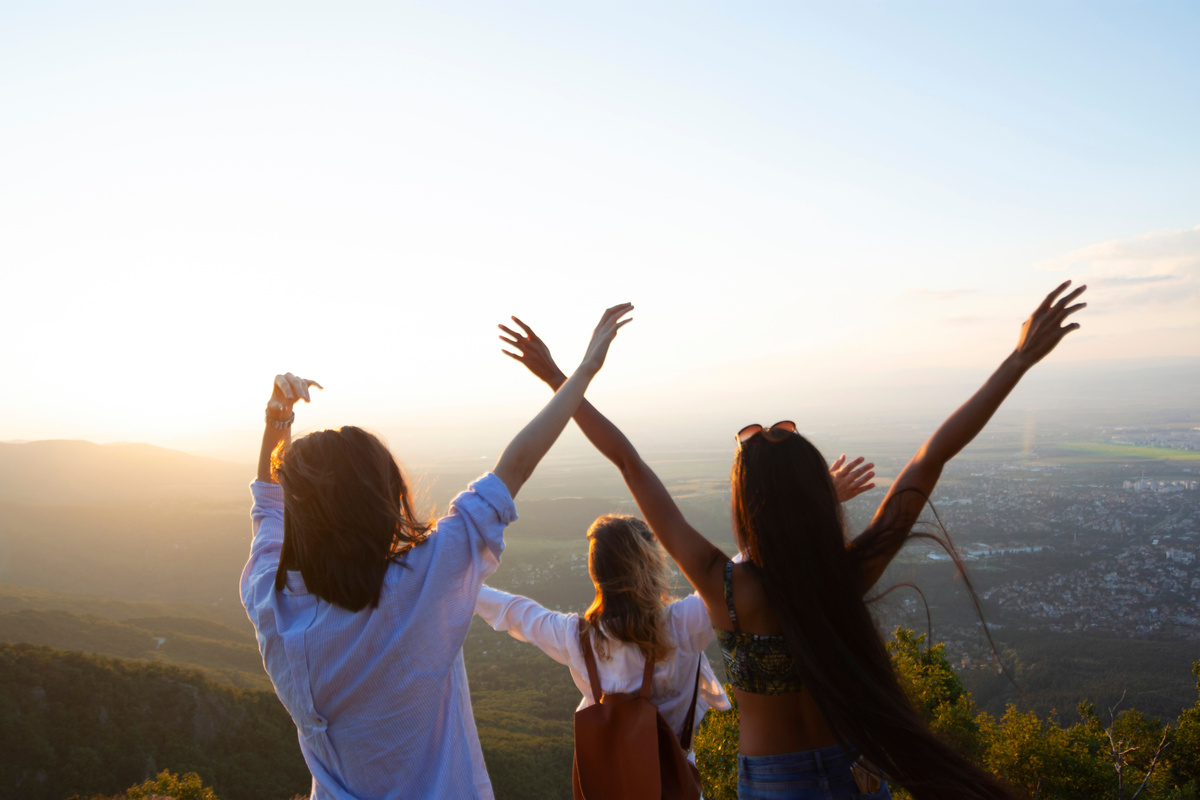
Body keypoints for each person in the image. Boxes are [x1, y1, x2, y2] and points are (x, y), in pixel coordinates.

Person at [496, 282, 1087, 800]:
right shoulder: (845, 573)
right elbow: (929, 460)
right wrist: (1018, 360)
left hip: (774, 783)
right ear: (814, 498)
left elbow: (628, 463)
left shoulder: (728, 588)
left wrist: (563, 377)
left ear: (745, 505)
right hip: (858, 770)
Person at [240, 304, 633, 800]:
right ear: (380, 503)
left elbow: (267, 506)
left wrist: (277, 419)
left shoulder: (272, 602)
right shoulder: (419, 581)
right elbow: (516, 465)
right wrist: (583, 371)